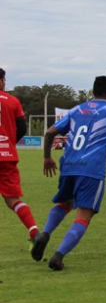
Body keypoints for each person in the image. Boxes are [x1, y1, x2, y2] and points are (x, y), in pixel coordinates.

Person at [30, 76, 106, 270]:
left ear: (93, 91)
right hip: (91, 168)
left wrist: (47, 157)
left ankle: (44, 233)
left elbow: (50, 133)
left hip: (68, 164)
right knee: (84, 215)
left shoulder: (77, 109)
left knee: (65, 203)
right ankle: (58, 256)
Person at [0, 68, 43, 255]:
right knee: (13, 200)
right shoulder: (13, 101)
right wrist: (8, 143)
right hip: (7, 156)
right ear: (1, 81)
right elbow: (22, 128)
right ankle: (34, 231)